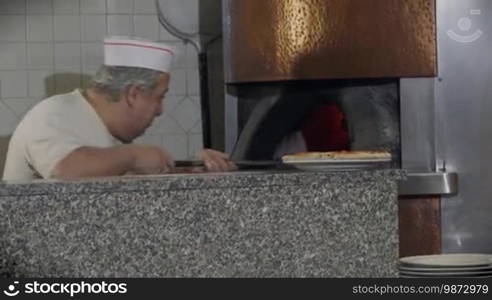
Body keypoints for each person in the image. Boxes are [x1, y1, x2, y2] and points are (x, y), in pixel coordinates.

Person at [2, 36, 235, 181]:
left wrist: (195, 171)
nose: (160, 110)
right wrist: (133, 156)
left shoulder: (109, 138)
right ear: (133, 94)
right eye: (159, 98)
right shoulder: (53, 113)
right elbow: (65, 169)